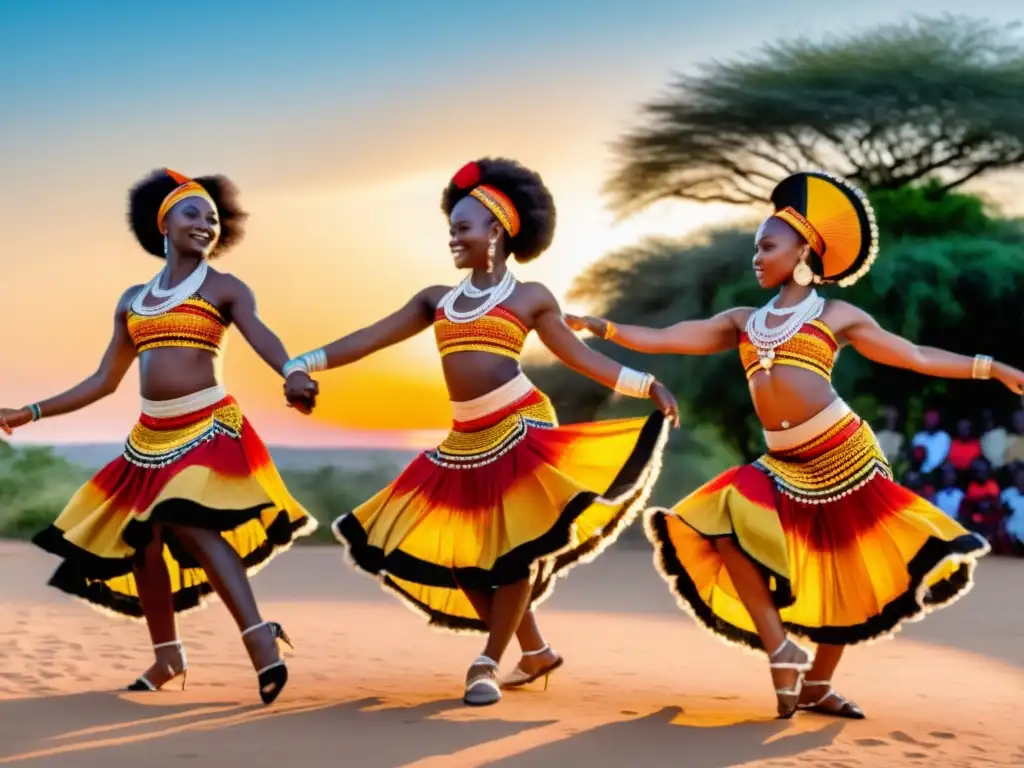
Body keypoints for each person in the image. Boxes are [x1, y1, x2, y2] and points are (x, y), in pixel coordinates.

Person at [567, 170, 1022, 719]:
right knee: (717, 525)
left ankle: (819, 684)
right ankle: (782, 649)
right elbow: (669, 338)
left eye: (768, 246)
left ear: (804, 248)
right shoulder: (743, 321)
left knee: (848, 567)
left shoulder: (835, 316)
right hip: (784, 463)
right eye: (756, 247)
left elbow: (916, 355)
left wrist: (992, 367)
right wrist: (605, 328)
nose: (757, 257)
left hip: (845, 456)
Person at [282, 158, 678, 707]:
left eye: (463, 228)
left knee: (514, 553)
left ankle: (487, 662)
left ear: (497, 230)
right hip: (464, 442)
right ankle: (534, 651)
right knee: (462, 553)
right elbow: (369, 338)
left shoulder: (531, 297)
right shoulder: (436, 301)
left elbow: (579, 357)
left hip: (521, 429)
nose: (453, 238)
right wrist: (300, 363)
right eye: (451, 229)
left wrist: (646, 384)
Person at [0, 169, 319, 706]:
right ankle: (168, 656)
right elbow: (104, 381)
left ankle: (259, 636)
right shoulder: (134, 300)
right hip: (150, 439)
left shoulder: (224, 288)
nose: (205, 224)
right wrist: (29, 412)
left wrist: (292, 371)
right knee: (142, 542)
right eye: (192, 213)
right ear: (163, 224)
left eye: (213, 218)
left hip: (209, 426)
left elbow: (262, 334)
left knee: (186, 517)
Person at [911, 409, 951, 474]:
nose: (931, 421)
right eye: (929, 418)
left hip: (938, 472)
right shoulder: (918, 437)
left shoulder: (944, 437)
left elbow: (945, 456)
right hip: (919, 471)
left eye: (933, 419)